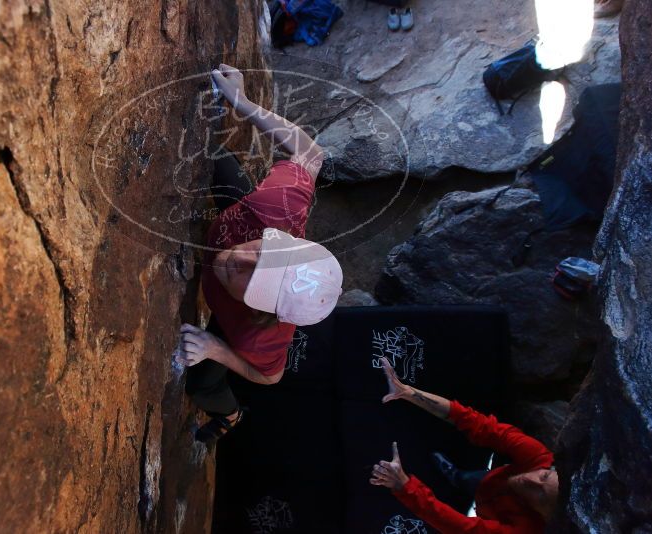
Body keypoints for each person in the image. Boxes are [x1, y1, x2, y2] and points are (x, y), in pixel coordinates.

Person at [176, 64, 343, 443]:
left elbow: (269, 375)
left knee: (201, 385)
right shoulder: (278, 211)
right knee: (214, 158)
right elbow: (311, 155)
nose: (240, 259)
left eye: (257, 280)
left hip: (229, 315)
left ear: (262, 308)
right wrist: (243, 102)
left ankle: (231, 415)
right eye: (265, 252)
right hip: (241, 217)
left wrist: (218, 349)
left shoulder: (259, 332)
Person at [369, 361, 558, 533]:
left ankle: (457, 477)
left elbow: (461, 526)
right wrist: (409, 393)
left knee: (470, 484)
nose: (531, 481)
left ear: (546, 515)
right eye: (544, 476)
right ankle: (454, 474)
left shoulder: (525, 530)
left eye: (541, 496)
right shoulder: (538, 458)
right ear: (550, 468)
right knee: (467, 479)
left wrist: (404, 487)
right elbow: (474, 422)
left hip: (490, 507)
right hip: (491, 481)